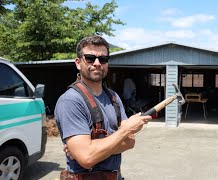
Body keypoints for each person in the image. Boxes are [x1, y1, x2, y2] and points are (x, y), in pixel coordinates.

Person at [54, 35, 152, 180]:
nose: (97, 63)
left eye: (103, 59)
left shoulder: (114, 97)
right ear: (78, 63)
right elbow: (87, 158)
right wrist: (124, 131)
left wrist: (94, 147)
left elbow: (130, 142)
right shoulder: (71, 101)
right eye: (90, 58)